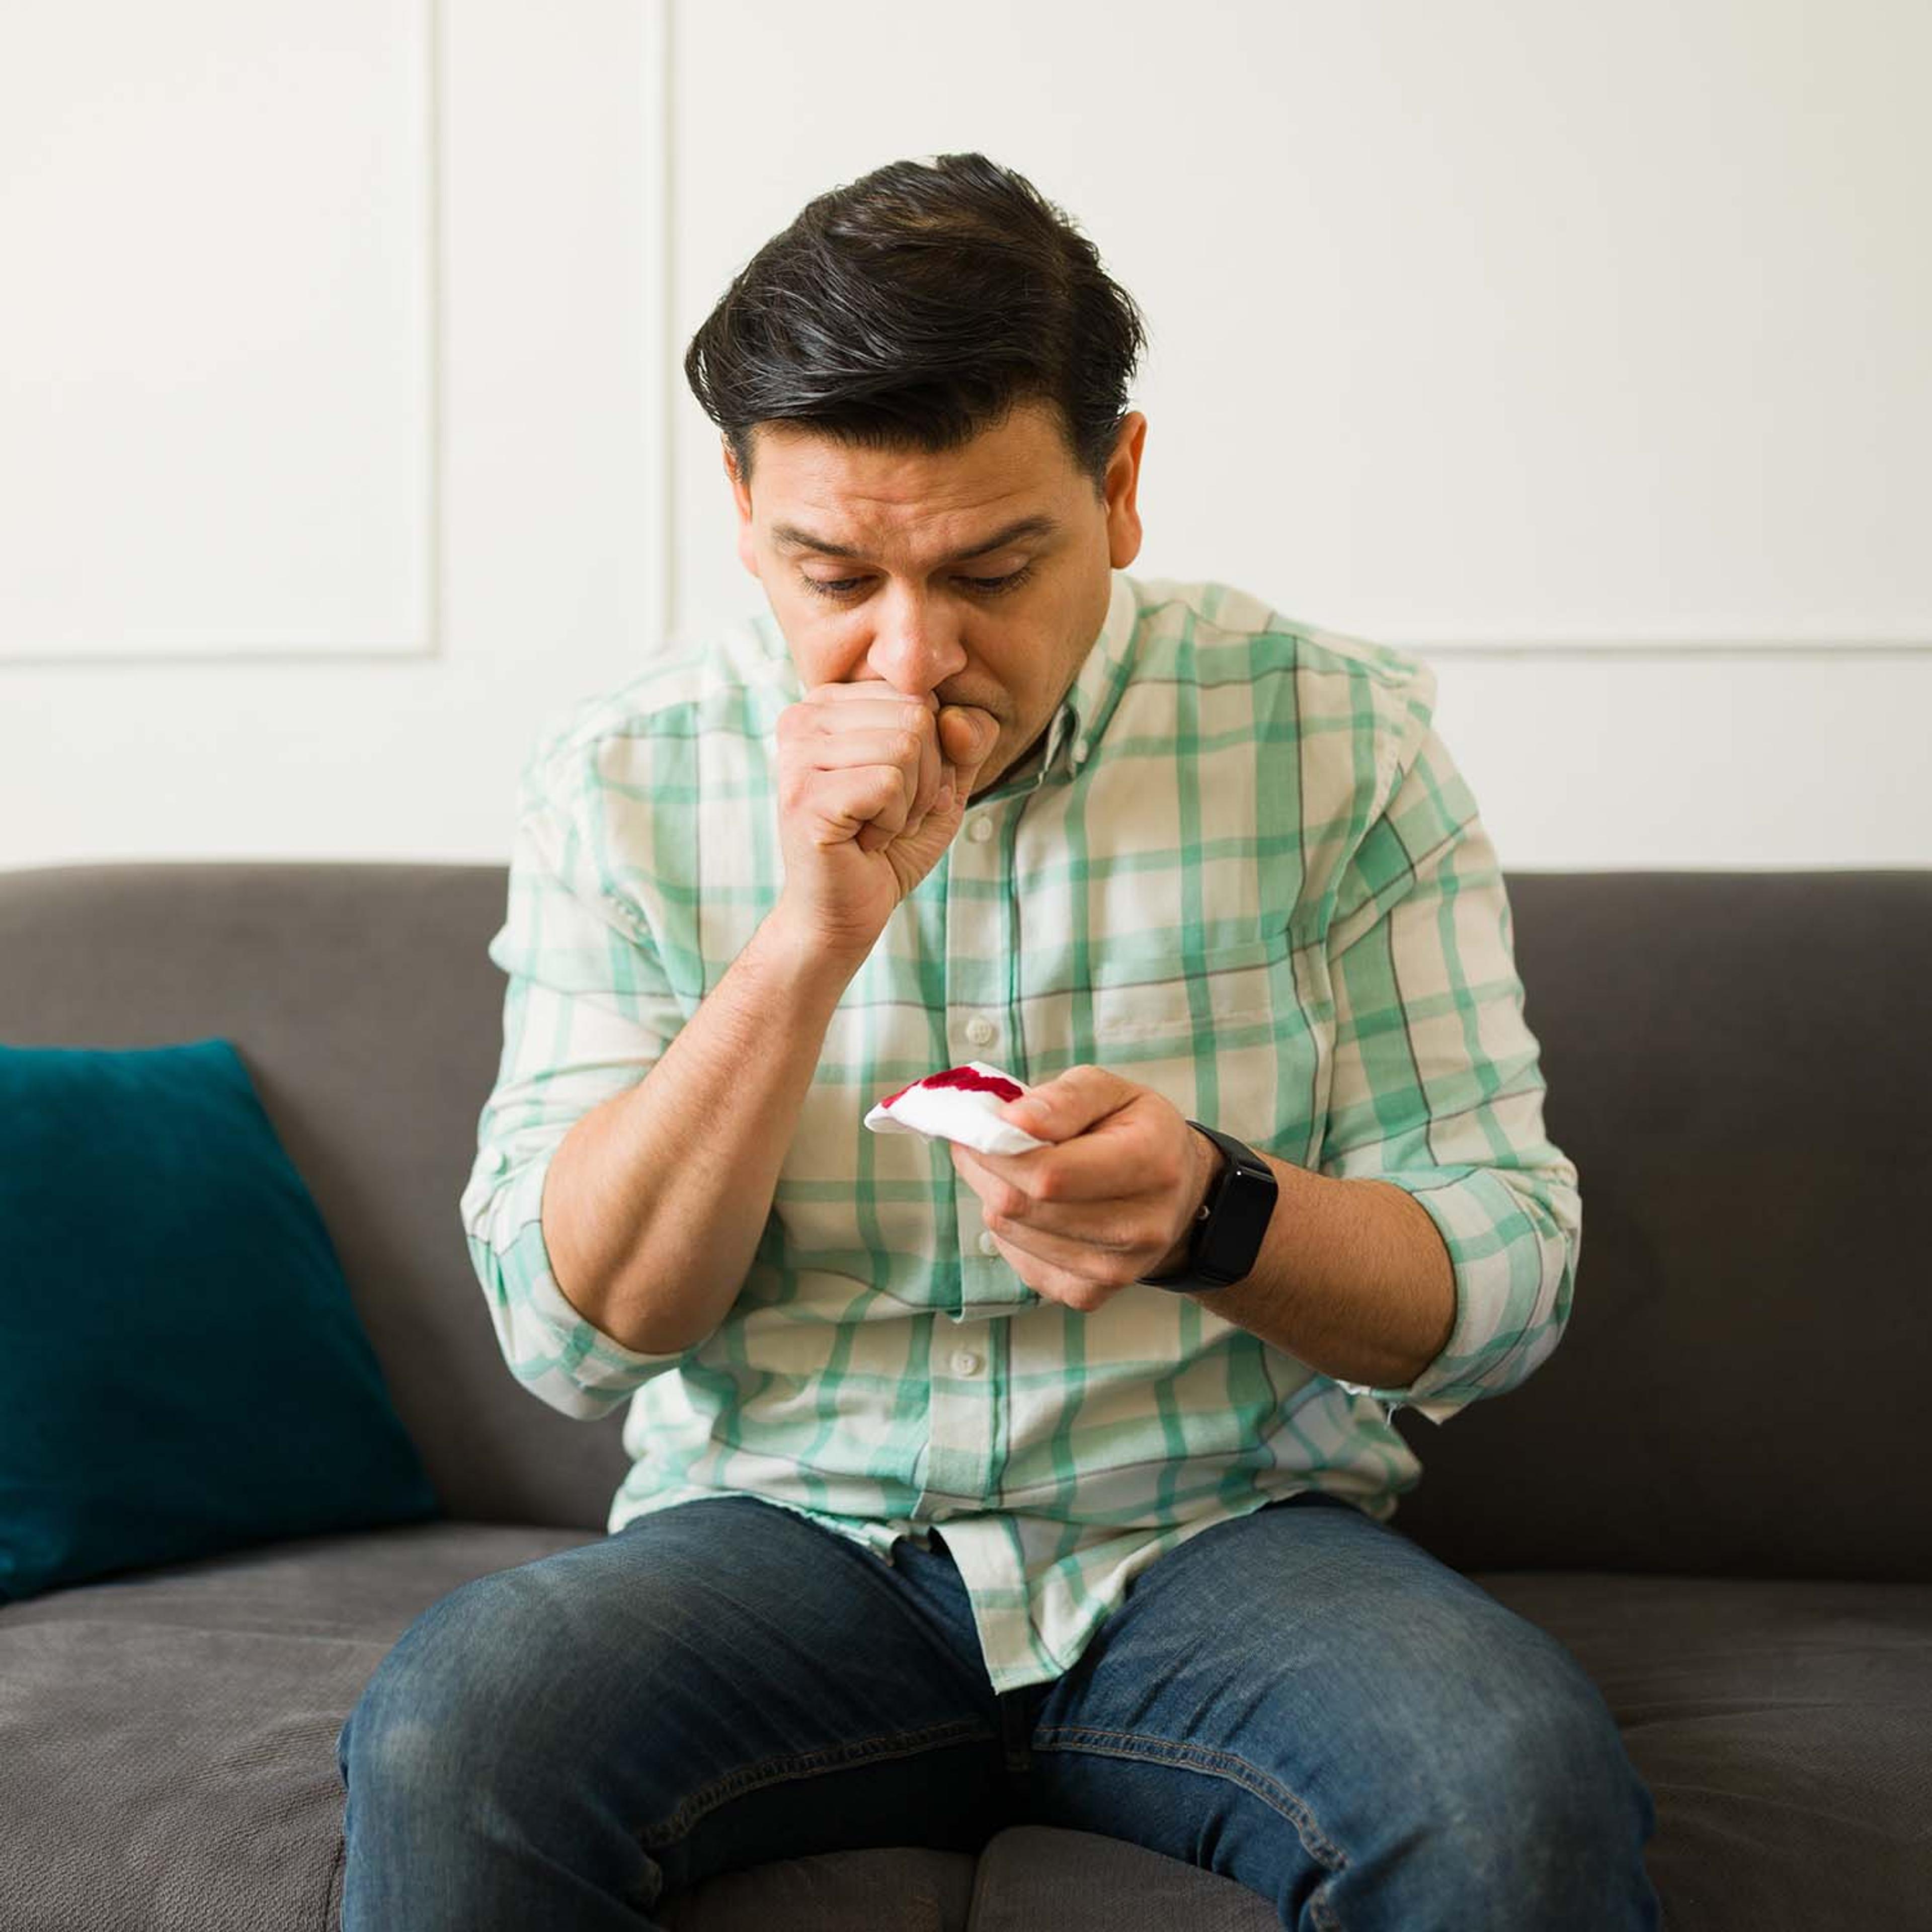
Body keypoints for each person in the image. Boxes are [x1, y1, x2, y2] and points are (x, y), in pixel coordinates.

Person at [337, 151, 1661, 1929]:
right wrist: (805, 942)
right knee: (458, 1735)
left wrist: (1218, 1217)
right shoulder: (629, 777)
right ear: (739, 510)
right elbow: (573, 1336)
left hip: (1221, 1544)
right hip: (779, 1544)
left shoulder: (1332, 737)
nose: (909, 659)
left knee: (1506, 1782)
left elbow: (1507, 1281)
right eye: (832, 575)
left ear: (1118, 489)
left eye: (990, 567)